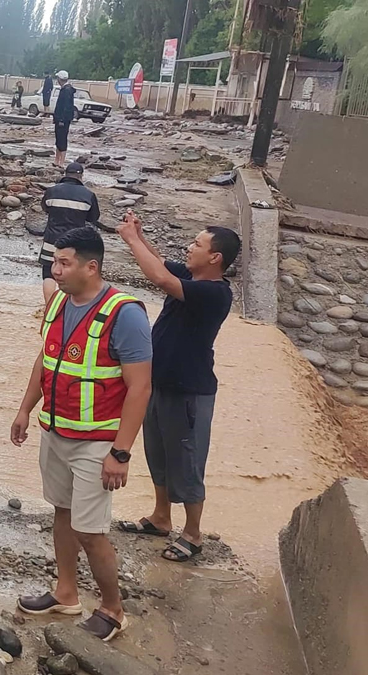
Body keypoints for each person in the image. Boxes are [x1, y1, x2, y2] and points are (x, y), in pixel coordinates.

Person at [11, 226, 152, 643]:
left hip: (97, 443)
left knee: (91, 531)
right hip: (56, 431)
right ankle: (66, 593)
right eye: (54, 261)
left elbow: (141, 387)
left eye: (64, 262)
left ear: (92, 267)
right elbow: (46, 358)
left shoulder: (125, 314)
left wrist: (121, 453)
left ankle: (113, 609)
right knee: (62, 512)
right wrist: (24, 408)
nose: (55, 270)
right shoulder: (56, 304)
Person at [116, 216, 240, 563]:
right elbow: (160, 266)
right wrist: (141, 237)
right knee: (158, 453)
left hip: (190, 390)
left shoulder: (215, 293)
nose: (190, 247)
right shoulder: (190, 276)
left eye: (197, 244)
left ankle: (193, 533)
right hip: (159, 383)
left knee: (187, 460)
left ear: (215, 258)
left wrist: (130, 240)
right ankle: (160, 518)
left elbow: (159, 278)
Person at [39, 163, 100, 304]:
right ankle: (67, 307)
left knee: (49, 273)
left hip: (51, 241)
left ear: (65, 174)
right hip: (75, 243)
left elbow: (46, 208)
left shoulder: (52, 191)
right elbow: (93, 218)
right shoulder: (88, 194)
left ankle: (49, 307)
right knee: (71, 274)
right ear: (81, 176)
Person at [52, 70, 75, 168]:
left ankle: (61, 162)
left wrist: (62, 119)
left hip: (63, 120)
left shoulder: (67, 90)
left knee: (62, 139)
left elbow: (66, 107)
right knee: (58, 139)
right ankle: (57, 160)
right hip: (60, 119)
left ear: (59, 79)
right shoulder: (65, 89)